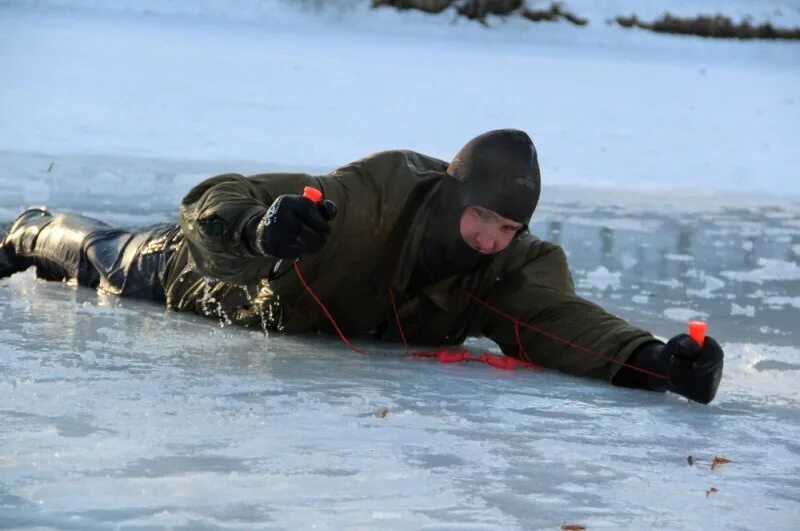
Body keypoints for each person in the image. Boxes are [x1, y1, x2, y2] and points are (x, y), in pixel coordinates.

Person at [0, 129, 723, 403]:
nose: (492, 240)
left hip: (305, 318)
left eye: (510, 228)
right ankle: (31, 228)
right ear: (453, 193)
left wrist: (655, 359)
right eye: (484, 218)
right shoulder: (375, 196)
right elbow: (209, 200)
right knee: (105, 257)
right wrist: (263, 227)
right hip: (214, 277)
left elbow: (563, 321)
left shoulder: (505, 267)